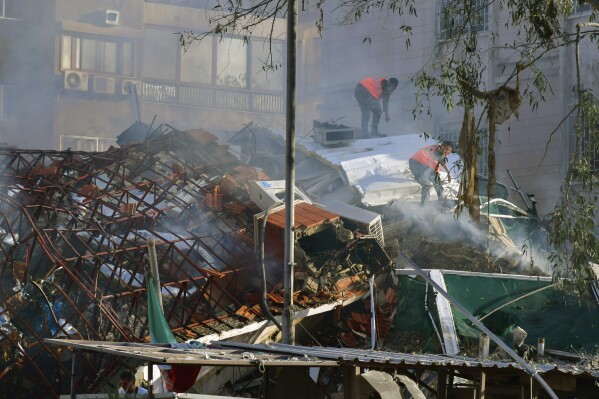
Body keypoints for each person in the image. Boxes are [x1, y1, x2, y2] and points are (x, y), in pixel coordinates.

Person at [409, 141, 454, 205]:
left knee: (437, 183)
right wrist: (449, 173)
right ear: (445, 147)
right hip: (416, 163)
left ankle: (440, 200)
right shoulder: (439, 149)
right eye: (449, 150)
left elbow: (436, 167)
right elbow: (442, 161)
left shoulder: (437, 150)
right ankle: (423, 205)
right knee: (426, 184)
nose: (449, 152)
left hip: (424, 165)